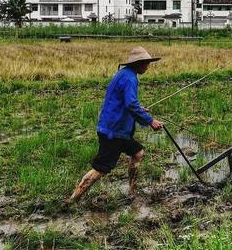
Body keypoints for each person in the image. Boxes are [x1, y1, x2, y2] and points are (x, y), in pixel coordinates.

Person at [69, 46, 163, 202]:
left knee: (137, 153)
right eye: (147, 63)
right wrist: (150, 121)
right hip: (113, 131)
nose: (148, 66)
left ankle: (132, 191)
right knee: (100, 169)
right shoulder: (130, 78)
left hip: (117, 129)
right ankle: (72, 200)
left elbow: (123, 100)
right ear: (139, 63)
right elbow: (131, 104)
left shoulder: (124, 74)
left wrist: (139, 108)